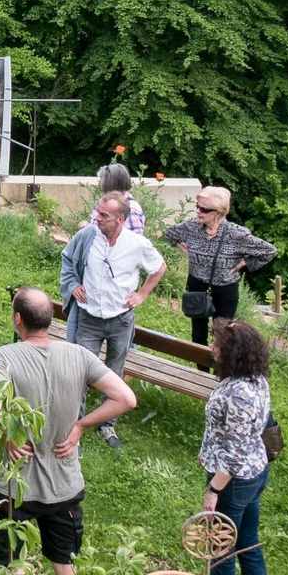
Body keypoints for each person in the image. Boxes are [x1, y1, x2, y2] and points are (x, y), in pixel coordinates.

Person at [0, 288, 137, 575]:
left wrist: (8, 436)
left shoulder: (5, 357)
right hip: (64, 486)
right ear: (51, 320)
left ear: (17, 319)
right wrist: (81, 425)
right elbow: (126, 398)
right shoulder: (79, 355)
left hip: (15, 486)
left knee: (3, 564)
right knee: (64, 563)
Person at [63, 192, 167, 449]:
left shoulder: (137, 244)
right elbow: (67, 259)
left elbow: (159, 267)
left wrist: (142, 294)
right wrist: (73, 284)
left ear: (121, 219)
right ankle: (75, 425)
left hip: (120, 320)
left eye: (104, 215)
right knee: (80, 372)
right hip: (88, 317)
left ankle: (107, 425)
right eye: (97, 213)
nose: (97, 218)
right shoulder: (87, 236)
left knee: (114, 372)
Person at [199, 320, 274, 575]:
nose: (212, 348)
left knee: (221, 550)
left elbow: (234, 454)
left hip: (232, 482)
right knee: (248, 545)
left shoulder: (239, 394)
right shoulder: (255, 379)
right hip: (254, 472)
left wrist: (213, 490)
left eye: (217, 344)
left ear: (232, 352)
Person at [163, 186, 277, 348]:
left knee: (223, 337)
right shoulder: (192, 226)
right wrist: (187, 251)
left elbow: (269, 251)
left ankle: (219, 364)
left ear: (217, 213)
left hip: (225, 290)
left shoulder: (236, 233)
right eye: (197, 206)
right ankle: (200, 364)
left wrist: (244, 263)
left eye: (204, 209)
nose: (198, 211)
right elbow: (170, 233)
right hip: (197, 286)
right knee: (198, 334)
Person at [83, 164, 146, 231]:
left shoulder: (130, 208)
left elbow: (135, 236)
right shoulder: (102, 202)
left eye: (101, 180)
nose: (99, 183)